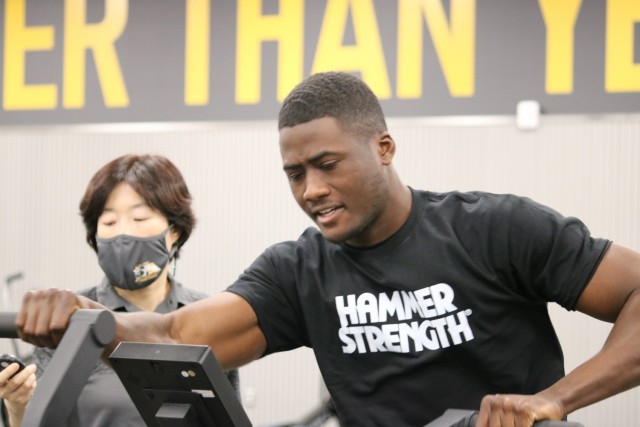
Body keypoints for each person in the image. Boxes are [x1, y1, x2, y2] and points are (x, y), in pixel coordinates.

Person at [14, 72, 640, 427]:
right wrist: (89, 321)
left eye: (327, 164)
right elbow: (177, 330)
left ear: (384, 149)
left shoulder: (494, 228)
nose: (312, 190)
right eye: (294, 174)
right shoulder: (298, 271)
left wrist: (554, 399)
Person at [7, 154, 239, 426]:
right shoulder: (67, 318)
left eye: (139, 218)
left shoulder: (209, 315)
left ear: (174, 230)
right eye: (108, 223)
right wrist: (17, 405)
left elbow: (226, 416)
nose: (123, 234)